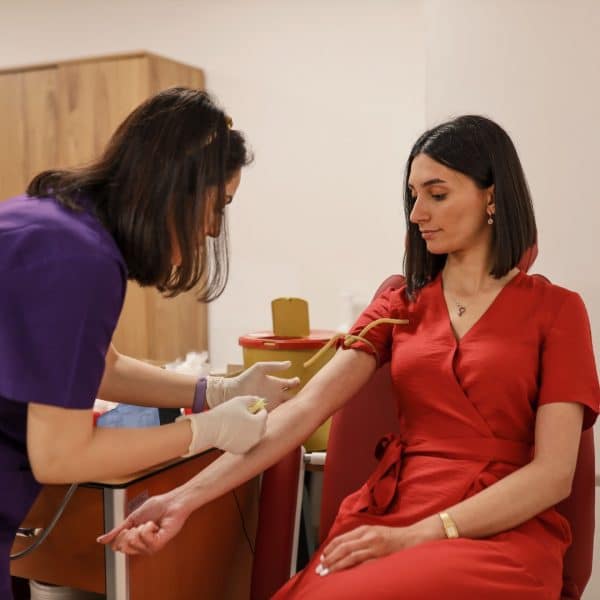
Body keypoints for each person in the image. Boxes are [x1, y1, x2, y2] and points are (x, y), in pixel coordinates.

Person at [99, 115, 599, 599]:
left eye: (437, 194)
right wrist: (183, 499)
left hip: (501, 531)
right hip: (394, 517)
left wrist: (423, 534)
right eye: (413, 195)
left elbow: (554, 475)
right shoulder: (400, 303)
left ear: (491, 196)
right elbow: (302, 413)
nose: (416, 213)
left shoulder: (557, 311)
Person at [0, 87, 301, 600]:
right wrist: (207, 431)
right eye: (218, 206)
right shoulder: (77, 259)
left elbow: (100, 369)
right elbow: (60, 455)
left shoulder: (57, 221)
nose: (211, 229)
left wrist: (216, 392)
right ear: (177, 187)